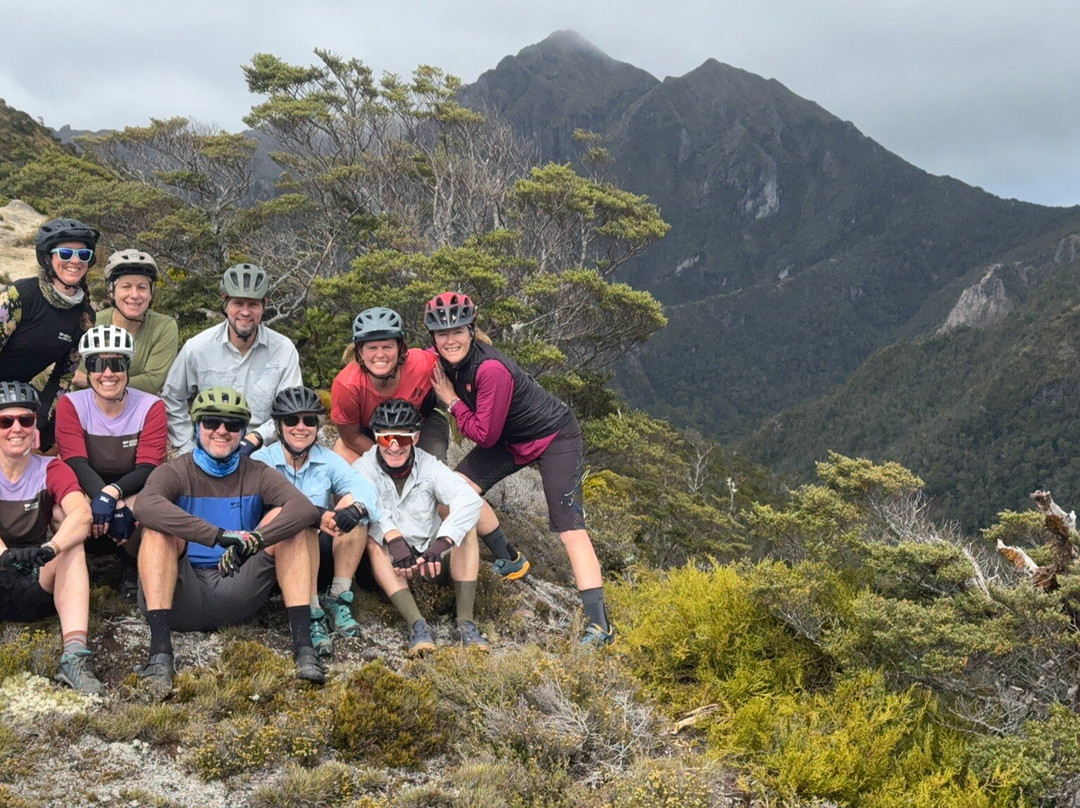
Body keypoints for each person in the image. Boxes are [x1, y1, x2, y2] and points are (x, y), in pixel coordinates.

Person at [425, 291, 615, 646]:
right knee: (448, 494)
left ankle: (600, 625)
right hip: (510, 439)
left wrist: (450, 401)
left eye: (458, 331)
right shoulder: (439, 360)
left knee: (569, 529)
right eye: (442, 334)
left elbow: (484, 434)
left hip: (554, 436)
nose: (450, 340)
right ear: (432, 338)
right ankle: (510, 559)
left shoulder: (490, 369)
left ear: (471, 330)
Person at [132, 386, 324, 696]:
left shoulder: (258, 472)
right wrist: (219, 537)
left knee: (291, 526)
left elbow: (303, 508)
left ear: (243, 431)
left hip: (237, 587)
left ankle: (304, 648)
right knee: (156, 530)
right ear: (198, 427)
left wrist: (254, 542)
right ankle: (160, 655)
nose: (222, 431)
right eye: (211, 423)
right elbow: (144, 506)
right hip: (181, 592)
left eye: (232, 425)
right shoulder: (175, 471)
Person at [252, 386, 382, 659]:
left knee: (353, 508)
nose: (301, 427)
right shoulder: (262, 460)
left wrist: (355, 509)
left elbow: (365, 489)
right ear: (278, 425)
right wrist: (317, 514)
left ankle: (337, 597)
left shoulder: (327, 459)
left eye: (309, 420)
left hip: (321, 555)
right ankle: (311, 610)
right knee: (303, 520)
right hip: (279, 552)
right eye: (292, 420)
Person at [353, 398, 488, 656]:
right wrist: (393, 538)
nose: (393, 447)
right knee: (373, 541)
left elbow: (469, 499)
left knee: (466, 529)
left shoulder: (429, 465)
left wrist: (443, 541)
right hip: (391, 565)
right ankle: (417, 624)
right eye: (385, 439)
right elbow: (366, 503)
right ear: (376, 437)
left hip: (430, 558)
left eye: (402, 439)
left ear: (415, 438)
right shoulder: (363, 467)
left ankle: (465, 623)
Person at [0, 382, 101, 693]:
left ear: (35, 430)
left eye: (25, 420)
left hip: (35, 574)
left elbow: (82, 514)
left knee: (72, 546)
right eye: (5, 421)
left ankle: (74, 656)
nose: (16, 428)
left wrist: (50, 549)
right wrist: (4, 555)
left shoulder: (51, 468)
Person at [55, 325, 168, 599]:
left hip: (132, 487)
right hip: (88, 484)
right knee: (61, 513)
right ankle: (75, 566)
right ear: (89, 370)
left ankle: (132, 564)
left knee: (147, 511)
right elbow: (75, 462)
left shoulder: (151, 406)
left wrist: (115, 496)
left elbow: (148, 467)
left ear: (127, 368)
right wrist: (105, 500)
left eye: (116, 364)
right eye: (97, 364)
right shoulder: (71, 404)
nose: (107, 374)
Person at [160, 263, 302, 455]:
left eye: (253, 304)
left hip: (264, 451)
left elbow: (290, 409)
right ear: (225, 304)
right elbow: (172, 398)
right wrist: (188, 447)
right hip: (211, 445)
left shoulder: (283, 350)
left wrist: (259, 437)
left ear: (264, 306)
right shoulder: (198, 347)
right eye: (238, 303)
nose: (245, 312)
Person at [0, 218, 98, 449]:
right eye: (65, 253)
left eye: (83, 255)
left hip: (17, 393)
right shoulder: (18, 296)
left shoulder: (84, 316)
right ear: (47, 258)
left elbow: (63, 376)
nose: (75, 261)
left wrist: (41, 419)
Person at [330, 307, 448, 464]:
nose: (380, 355)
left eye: (387, 347)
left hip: (421, 423)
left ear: (400, 349)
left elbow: (455, 356)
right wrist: (390, 457)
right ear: (360, 352)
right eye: (372, 348)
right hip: (370, 434)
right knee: (343, 458)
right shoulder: (347, 385)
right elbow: (351, 437)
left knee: (432, 472)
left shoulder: (422, 364)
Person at [74, 249, 178, 395]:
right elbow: (76, 377)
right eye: (126, 286)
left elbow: (153, 381)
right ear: (112, 291)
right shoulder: (93, 322)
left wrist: (99, 381)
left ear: (151, 293)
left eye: (142, 287)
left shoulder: (163, 327)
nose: (134, 295)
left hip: (140, 409)